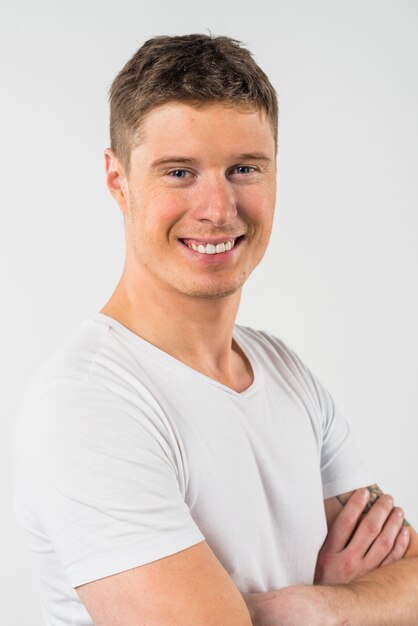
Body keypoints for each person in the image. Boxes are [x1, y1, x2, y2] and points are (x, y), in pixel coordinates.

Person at [13, 33, 417, 626]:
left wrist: (320, 609)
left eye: (244, 169)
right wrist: (356, 607)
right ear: (117, 180)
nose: (218, 208)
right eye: (179, 172)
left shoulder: (283, 370)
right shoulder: (90, 405)